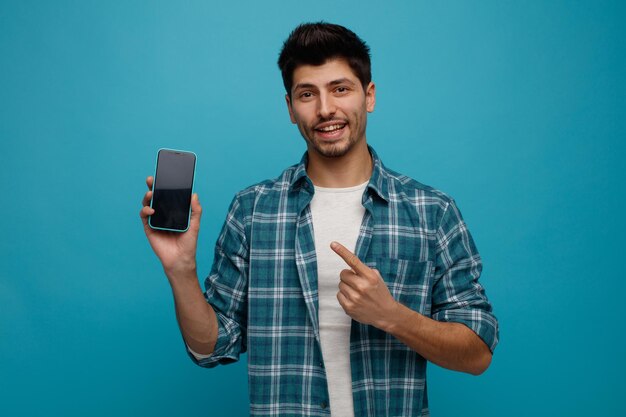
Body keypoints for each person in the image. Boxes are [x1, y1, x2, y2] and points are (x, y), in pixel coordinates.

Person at [140, 22, 499, 417]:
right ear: (291, 109)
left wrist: (393, 316)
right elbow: (212, 347)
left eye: (340, 89)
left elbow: (478, 352)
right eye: (307, 94)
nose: (326, 108)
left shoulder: (432, 212)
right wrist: (181, 271)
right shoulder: (252, 210)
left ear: (370, 96)